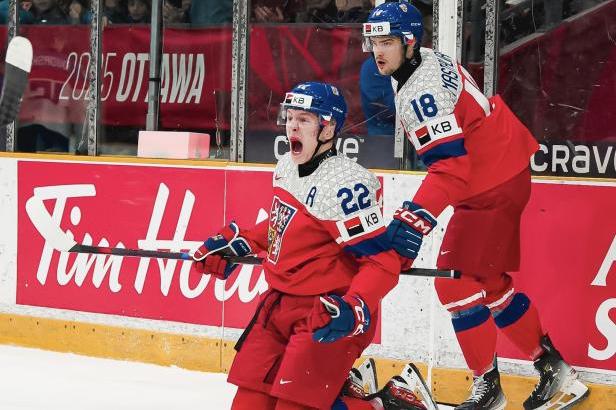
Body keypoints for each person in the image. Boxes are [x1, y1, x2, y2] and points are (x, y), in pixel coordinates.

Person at [361, 3, 590, 410]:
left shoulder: (420, 88)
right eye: (374, 41)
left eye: (388, 41)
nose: (378, 50)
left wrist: (413, 221)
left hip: (491, 185)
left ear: (410, 42)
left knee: (455, 283)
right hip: (502, 169)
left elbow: (451, 166)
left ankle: (489, 389)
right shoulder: (424, 60)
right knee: (489, 284)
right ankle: (555, 371)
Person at [191, 81, 425, 410]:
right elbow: (283, 226)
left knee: (294, 406)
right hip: (279, 307)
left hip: (326, 311)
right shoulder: (287, 166)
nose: (292, 126)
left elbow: (382, 263)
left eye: (304, 119)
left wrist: (354, 307)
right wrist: (241, 241)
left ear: (328, 127)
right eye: (289, 117)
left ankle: (394, 405)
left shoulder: (347, 185)